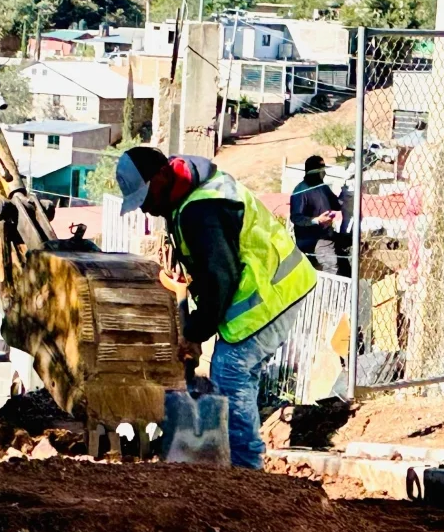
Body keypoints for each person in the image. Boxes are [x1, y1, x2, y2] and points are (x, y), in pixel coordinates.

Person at [116, 146, 316, 469]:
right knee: (236, 371)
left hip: (272, 292)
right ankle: (241, 462)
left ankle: (245, 469)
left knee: (230, 369)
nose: (145, 208)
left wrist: (195, 332)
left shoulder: (201, 210)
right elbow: (212, 260)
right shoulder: (186, 193)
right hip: (279, 284)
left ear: (161, 176)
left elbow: (220, 278)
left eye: (145, 197)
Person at [290, 154, 351, 276]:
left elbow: (336, 204)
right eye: (322, 170)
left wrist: (345, 193)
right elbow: (295, 217)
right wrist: (316, 220)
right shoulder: (300, 191)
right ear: (314, 172)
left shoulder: (322, 187)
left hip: (326, 234)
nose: (324, 174)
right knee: (331, 267)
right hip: (311, 238)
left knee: (347, 254)